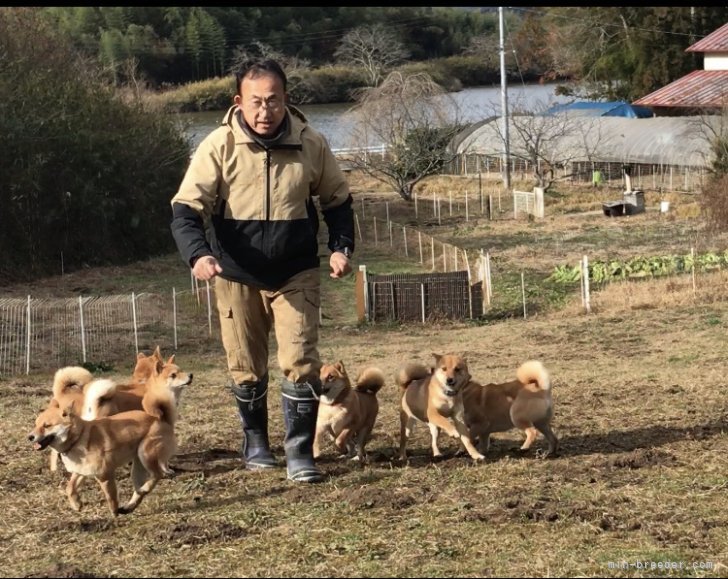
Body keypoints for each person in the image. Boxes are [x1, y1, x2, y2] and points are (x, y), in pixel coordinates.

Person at [170, 58, 354, 483]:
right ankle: (255, 442)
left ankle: (299, 453)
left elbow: (338, 202)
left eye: (273, 101)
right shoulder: (217, 145)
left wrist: (341, 248)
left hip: (296, 272)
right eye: (256, 102)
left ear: (286, 99)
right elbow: (185, 210)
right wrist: (198, 255)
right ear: (239, 102)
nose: (265, 111)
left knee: (301, 361)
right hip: (234, 273)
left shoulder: (312, 143)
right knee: (246, 367)